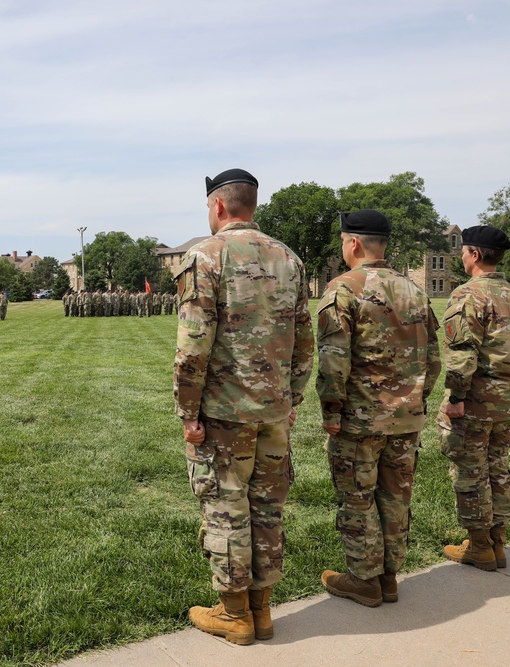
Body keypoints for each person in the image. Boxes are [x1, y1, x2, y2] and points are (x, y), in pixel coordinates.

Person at [174, 168, 314, 645]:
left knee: (227, 505)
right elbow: (304, 339)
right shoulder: (289, 258)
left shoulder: (205, 256)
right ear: (251, 205)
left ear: (217, 206)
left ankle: (235, 615)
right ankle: (262, 610)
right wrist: (291, 397)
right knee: (268, 507)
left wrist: (188, 413)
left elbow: (194, 346)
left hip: (225, 413)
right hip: (273, 410)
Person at [316, 210, 441, 607]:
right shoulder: (415, 291)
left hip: (361, 418)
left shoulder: (344, 289)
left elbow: (334, 361)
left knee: (357, 497)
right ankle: (389, 578)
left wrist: (331, 411)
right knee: (395, 497)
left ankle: (364, 580)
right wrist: (416, 399)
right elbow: (434, 359)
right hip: (406, 417)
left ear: (352, 243)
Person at [438, 225, 510, 571]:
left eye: (464, 250)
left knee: (470, 468)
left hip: (477, 397)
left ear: (475, 255)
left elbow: (463, 353)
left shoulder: (468, 295)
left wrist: (455, 397)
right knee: (498, 466)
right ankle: (498, 543)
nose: (462, 256)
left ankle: (479, 546)